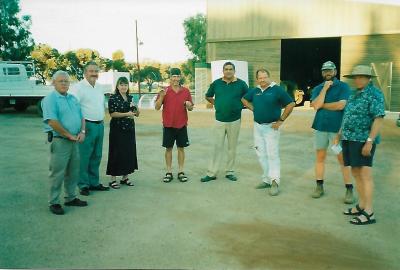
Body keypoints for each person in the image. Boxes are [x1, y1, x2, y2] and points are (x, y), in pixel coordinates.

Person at [338, 65, 385, 225]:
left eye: (361, 77)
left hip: (363, 140)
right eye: (355, 77)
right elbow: (347, 114)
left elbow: (378, 119)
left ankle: (369, 212)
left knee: (365, 175)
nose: (358, 79)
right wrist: (340, 131)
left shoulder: (374, 94)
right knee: (356, 172)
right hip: (349, 138)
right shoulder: (353, 93)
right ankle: (362, 205)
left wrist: (370, 142)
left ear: (369, 78)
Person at [242, 68, 295, 196]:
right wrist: (253, 109)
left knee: (272, 155)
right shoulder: (255, 91)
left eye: (265, 77)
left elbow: (291, 104)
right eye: (260, 78)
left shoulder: (277, 90)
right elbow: (244, 99)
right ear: (257, 79)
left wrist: (281, 120)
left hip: (272, 127)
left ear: (269, 77)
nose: (263, 80)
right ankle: (266, 179)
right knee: (261, 153)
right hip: (258, 127)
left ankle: (275, 182)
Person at [42, 70, 88, 215]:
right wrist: (68, 135)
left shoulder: (73, 99)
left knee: (73, 172)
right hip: (60, 140)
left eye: (66, 81)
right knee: (57, 173)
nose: (64, 83)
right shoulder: (50, 99)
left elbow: (82, 117)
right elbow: (52, 121)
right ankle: (54, 202)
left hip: (74, 140)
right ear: (54, 83)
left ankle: (71, 197)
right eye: (60, 81)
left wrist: (82, 132)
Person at [310, 61, 354, 203]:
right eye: (325, 71)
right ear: (322, 73)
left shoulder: (343, 86)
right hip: (320, 127)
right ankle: (319, 186)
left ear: (335, 71)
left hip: (337, 130)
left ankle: (349, 189)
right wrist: (324, 90)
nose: (327, 73)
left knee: (342, 160)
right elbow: (315, 105)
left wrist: (322, 105)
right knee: (320, 158)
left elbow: (341, 105)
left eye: (330, 70)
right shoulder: (318, 88)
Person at [201, 62, 249, 182]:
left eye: (231, 69)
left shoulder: (241, 84)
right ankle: (212, 173)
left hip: (235, 120)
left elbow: (248, 97)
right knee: (217, 147)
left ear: (234, 71)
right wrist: (216, 103)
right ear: (223, 71)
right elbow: (208, 96)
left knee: (232, 147)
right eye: (226, 69)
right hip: (219, 120)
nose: (228, 71)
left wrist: (240, 105)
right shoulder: (216, 83)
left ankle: (230, 172)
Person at [70, 61, 109, 196]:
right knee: (84, 156)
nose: (94, 74)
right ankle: (83, 184)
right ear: (85, 72)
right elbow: (74, 108)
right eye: (91, 71)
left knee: (96, 155)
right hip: (86, 125)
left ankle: (94, 182)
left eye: (96, 71)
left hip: (100, 124)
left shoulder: (99, 87)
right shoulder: (78, 88)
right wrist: (81, 129)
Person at [155, 68, 193, 182]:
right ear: (170, 77)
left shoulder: (186, 91)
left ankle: (181, 171)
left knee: (181, 148)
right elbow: (157, 107)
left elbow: (190, 108)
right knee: (169, 149)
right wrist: (161, 97)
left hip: (181, 124)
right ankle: (169, 172)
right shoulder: (164, 91)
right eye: (173, 76)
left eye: (177, 76)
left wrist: (188, 104)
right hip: (168, 125)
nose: (175, 79)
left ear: (180, 77)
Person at [106, 77, 139, 189]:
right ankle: (113, 179)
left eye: (125, 85)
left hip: (129, 129)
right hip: (117, 129)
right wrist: (127, 113)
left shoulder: (130, 98)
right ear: (117, 86)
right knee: (116, 152)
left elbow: (136, 113)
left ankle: (125, 177)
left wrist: (136, 109)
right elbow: (112, 114)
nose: (124, 87)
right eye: (121, 85)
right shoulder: (113, 98)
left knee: (128, 152)